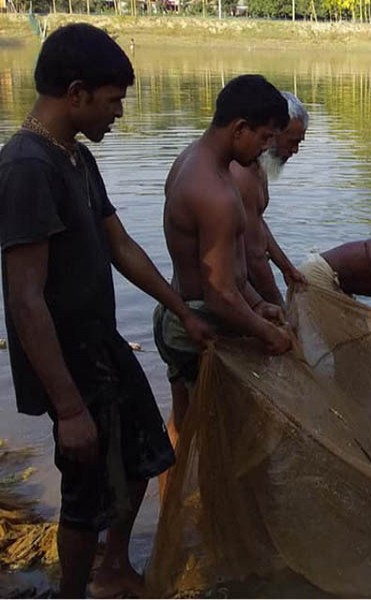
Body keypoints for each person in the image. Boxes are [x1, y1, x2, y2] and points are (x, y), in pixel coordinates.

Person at [0, 23, 213, 598]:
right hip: (65, 360)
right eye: (113, 100)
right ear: (76, 94)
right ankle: (74, 591)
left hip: (102, 343)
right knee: (84, 484)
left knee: (147, 448)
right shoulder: (27, 167)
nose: (118, 112)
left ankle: (114, 567)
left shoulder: (74, 158)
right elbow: (24, 299)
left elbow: (120, 247)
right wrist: (68, 408)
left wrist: (182, 309)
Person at [154, 74, 294, 448]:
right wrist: (267, 333)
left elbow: (224, 272)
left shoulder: (191, 158)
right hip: (200, 324)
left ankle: (177, 499)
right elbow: (219, 293)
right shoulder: (216, 193)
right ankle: (206, 503)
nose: (267, 147)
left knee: (187, 424)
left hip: (179, 312)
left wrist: (259, 304)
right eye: (264, 137)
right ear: (240, 128)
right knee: (221, 439)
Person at [230, 91, 309, 307]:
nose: (295, 150)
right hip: (231, 296)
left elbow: (256, 223)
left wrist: (286, 268)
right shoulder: (243, 174)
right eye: (292, 141)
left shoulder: (258, 166)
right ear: (272, 133)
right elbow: (254, 255)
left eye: (299, 143)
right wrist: (279, 309)